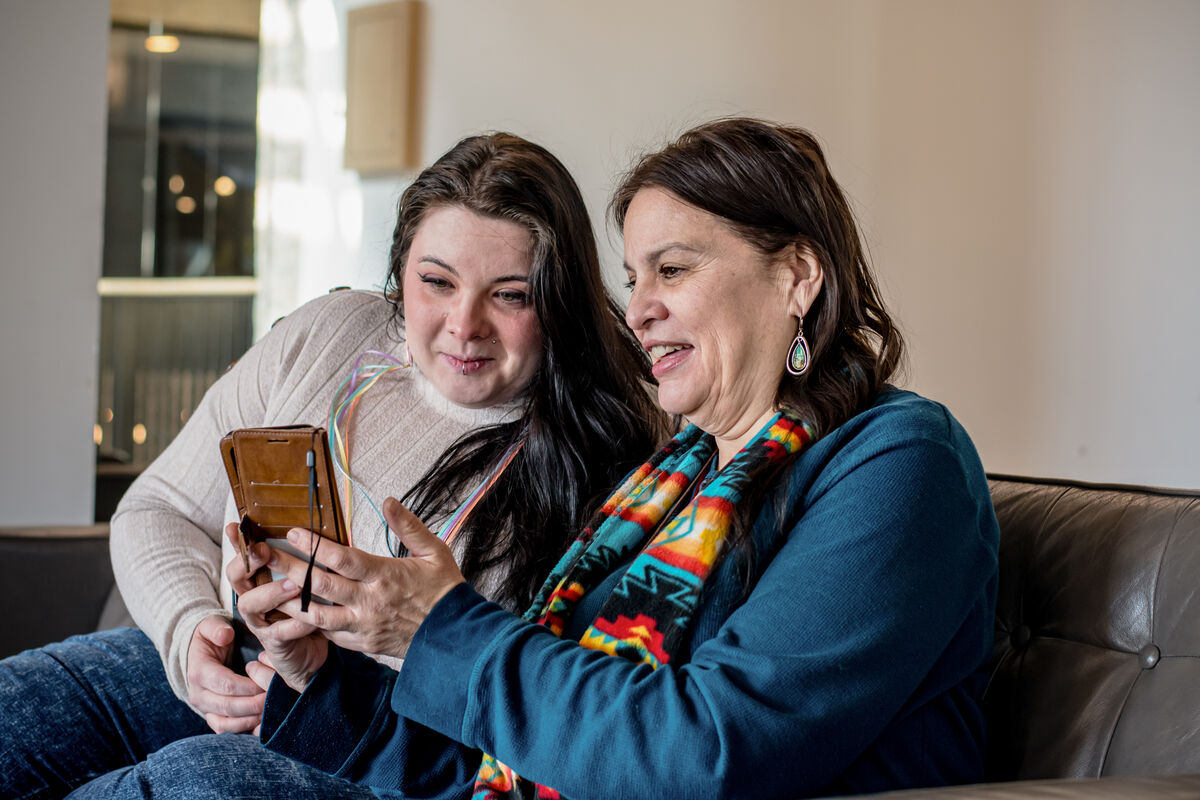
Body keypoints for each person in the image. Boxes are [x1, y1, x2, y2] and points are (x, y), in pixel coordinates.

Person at [64, 118, 1000, 800]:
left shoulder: (897, 463)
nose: (638, 311)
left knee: (204, 781)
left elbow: (710, 750)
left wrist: (436, 628)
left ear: (796, 276)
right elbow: (488, 762)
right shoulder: (669, 486)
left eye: (673, 271)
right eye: (635, 280)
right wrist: (318, 669)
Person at [0, 132, 665, 800]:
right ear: (400, 269)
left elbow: (546, 727)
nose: (464, 325)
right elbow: (159, 507)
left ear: (559, 299)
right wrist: (189, 635)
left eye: (511, 296)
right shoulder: (331, 335)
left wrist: (359, 663)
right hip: (230, 670)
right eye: (436, 282)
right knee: (15, 710)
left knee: (194, 782)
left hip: (386, 745)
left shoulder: (613, 463)